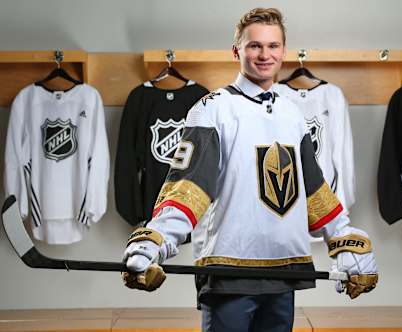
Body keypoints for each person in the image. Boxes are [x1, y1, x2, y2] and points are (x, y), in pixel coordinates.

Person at [122, 7, 378, 332]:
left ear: (283, 51)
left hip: (285, 268)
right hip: (230, 271)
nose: (264, 54)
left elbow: (313, 190)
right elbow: (188, 187)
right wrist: (155, 239)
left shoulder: (292, 114)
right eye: (255, 45)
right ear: (237, 50)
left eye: (272, 46)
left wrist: (342, 237)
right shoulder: (211, 109)